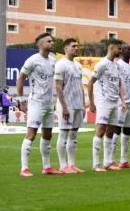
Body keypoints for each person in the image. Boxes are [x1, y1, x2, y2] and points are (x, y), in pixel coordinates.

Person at [18, 33, 62, 177]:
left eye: (52, 41)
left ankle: (47, 166)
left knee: (48, 135)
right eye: (49, 41)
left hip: (49, 103)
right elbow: (20, 79)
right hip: (36, 102)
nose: (52, 43)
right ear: (41, 45)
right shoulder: (32, 61)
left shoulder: (53, 60)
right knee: (31, 134)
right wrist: (21, 100)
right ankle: (24, 168)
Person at [88, 38, 127, 172]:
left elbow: (120, 84)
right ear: (112, 48)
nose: (120, 51)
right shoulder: (101, 64)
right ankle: (95, 164)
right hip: (103, 102)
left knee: (110, 130)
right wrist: (92, 103)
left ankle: (108, 162)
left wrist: (122, 101)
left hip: (114, 102)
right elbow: (90, 82)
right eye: (119, 49)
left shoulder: (117, 65)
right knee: (101, 130)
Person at [54, 38, 86, 174]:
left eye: (77, 46)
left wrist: (83, 105)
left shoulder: (78, 65)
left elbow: (80, 86)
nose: (76, 48)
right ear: (66, 48)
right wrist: (64, 107)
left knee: (73, 135)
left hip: (78, 105)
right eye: (73, 46)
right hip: (66, 106)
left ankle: (71, 164)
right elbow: (58, 87)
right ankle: (62, 165)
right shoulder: (61, 64)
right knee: (63, 134)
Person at [113, 44, 130, 168]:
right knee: (117, 129)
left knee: (128, 130)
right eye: (129, 49)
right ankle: (111, 159)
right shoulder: (118, 65)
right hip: (120, 102)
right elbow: (117, 83)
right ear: (122, 52)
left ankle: (124, 160)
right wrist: (121, 100)